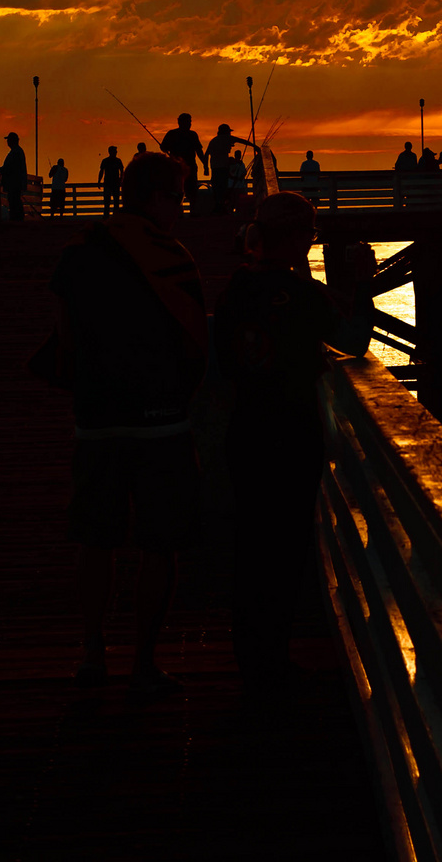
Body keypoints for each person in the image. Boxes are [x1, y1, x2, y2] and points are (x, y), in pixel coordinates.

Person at [50, 152, 207, 696]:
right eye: (179, 197)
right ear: (158, 198)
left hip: (96, 419)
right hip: (161, 422)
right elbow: (194, 341)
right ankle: (144, 662)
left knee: (95, 541)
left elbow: (66, 336)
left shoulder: (78, 252)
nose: (181, 209)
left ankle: (92, 653)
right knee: (159, 544)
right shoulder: (171, 254)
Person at [213, 190, 370, 691]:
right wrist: (362, 285)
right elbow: (353, 340)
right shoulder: (301, 295)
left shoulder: (236, 288)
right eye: (312, 233)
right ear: (300, 239)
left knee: (250, 547)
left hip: (244, 431)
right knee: (283, 551)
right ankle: (273, 660)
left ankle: (250, 656)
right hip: (291, 434)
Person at [160, 113, 206, 212]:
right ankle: (187, 212)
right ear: (180, 122)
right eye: (188, 121)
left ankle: (185, 212)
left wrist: (205, 164)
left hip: (185, 167)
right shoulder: (190, 134)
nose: (190, 124)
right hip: (181, 167)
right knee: (181, 190)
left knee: (186, 190)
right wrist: (205, 164)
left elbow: (163, 147)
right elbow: (199, 151)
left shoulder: (173, 134)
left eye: (190, 122)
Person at [205, 124, 243, 213]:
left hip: (214, 168)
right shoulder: (227, 138)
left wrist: (205, 167)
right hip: (223, 168)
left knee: (216, 188)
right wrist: (255, 147)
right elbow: (241, 140)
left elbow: (206, 154)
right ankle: (221, 207)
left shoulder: (213, 141)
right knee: (223, 189)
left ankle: (218, 207)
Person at [1, 131, 28, 222]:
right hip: (15, 181)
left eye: (8, 140)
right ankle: (17, 218)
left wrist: (0, 170)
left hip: (14, 182)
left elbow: (11, 167)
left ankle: (16, 219)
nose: (7, 142)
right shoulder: (17, 151)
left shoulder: (15, 152)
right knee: (15, 200)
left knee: (14, 201)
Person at [98, 146, 124, 216]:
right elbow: (101, 171)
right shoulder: (109, 161)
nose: (116, 152)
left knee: (114, 201)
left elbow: (122, 171)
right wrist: (99, 181)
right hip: (110, 183)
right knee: (108, 201)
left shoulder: (115, 161)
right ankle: (109, 216)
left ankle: (113, 216)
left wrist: (121, 179)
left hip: (113, 183)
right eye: (115, 151)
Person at [226, 149, 248, 214]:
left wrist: (241, 177)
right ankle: (231, 211)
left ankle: (236, 211)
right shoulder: (232, 163)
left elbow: (244, 173)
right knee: (232, 199)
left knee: (237, 200)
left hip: (238, 185)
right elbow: (229, 173)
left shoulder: (242, 164)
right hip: (232, 185)